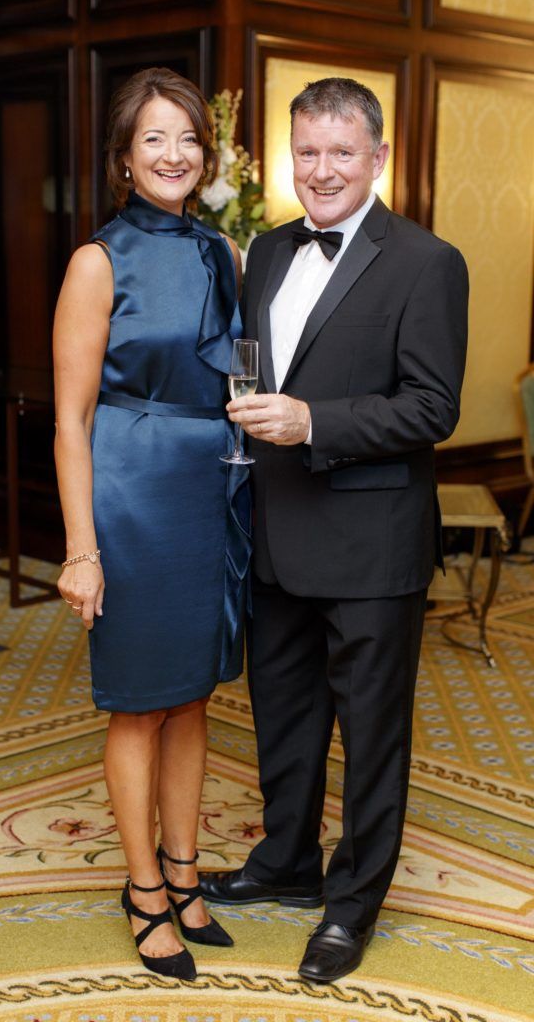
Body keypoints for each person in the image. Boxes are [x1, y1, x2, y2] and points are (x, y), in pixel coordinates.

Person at [199, 77, 468, 984]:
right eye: (307, 152)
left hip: (372, 543)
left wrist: (315, 422)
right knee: (283, 714)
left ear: (378, 158)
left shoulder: (428, 261)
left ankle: (352, 905)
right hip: (277, 527)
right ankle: (286, 861)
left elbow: (433, 407)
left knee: (372, 735)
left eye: (341, 153)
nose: (322, 171)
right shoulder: (269, 250)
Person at [53, 67, 251, 982]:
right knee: (139, 705)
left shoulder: (221, 252)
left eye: (188, 139)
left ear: (204, 155)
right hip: (130, 496)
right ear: (124, 160)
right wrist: (82, 549)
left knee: (193, 696)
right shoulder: (97, 261)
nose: (175, 155)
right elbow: (70, 420)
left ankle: (184, 870)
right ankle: (142, 890)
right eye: (154, 140)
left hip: (208, 491)